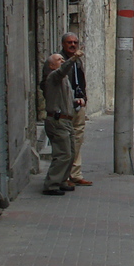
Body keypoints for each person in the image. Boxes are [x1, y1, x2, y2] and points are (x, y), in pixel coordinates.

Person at [41, 48, 82, 195]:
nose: (62, 61)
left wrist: (76, 101)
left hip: (66, 121)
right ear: (52, 65)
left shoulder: (63, 80)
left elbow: (65, 98)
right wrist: (73, 59)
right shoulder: (53, 77)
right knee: (62, 154)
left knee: (70, 152)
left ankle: (62, 180)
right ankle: (51, 185)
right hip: (57, 122)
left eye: (62, 59)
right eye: (59, 60)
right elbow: (62, 71)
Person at [61, 33, 91, 186]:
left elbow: (81, 80)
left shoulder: (77, 61)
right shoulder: (59, 60)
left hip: (79, 105)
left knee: (78, 139)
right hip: (65, 107)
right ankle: (63, 176)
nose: (73, 45)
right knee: (65, 142)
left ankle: (76, 174)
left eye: (75, 42)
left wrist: (84, 98)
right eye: (69, 42)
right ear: (63, 44)